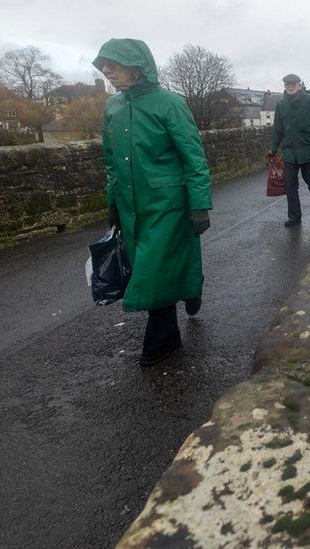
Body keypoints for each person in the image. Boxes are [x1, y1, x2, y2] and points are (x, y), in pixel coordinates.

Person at [95, 38, 212, 366]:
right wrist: (112, 202)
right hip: (131, 205)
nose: (106, 70)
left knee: (152, 269)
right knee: (149, 267)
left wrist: (200, 204)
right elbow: (110, 159)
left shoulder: (169, 103)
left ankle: (162, 339)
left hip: (168, 202)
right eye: (103, 64)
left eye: (113, 64)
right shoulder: (113, 107)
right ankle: (189, 287)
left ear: (136, 67)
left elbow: (193, 156)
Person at [269, 74, 310, 226]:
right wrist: (273, 149)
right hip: (290, 152)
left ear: (299, 85)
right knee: (289, 184)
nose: (290, 87)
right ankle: (294, 216)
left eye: (293, 84)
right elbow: (278, 129)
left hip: (309, 150)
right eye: (287, 84)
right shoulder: (281, 105)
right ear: (284, 86)